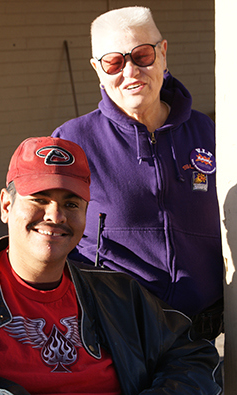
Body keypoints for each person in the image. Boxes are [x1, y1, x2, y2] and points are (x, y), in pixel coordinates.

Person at [0, 136, 221, 395]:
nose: (55, 216)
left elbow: (192, 356)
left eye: (71, 203)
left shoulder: (118, 295)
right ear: (6, 205)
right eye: (39, 199)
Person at [52, 6, 223, 339]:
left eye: (142, 55)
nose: (130, 72)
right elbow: (54, 232)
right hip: (116, 326)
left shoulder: (207, 132)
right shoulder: (72, 141)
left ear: (162, 53)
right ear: (97, 69)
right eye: (114, 62)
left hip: (202, 324)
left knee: (203, 392)